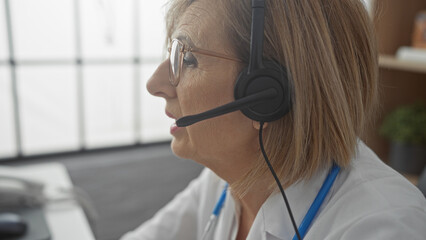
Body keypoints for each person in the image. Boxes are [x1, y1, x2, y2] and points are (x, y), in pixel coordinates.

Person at [121, 0, 426, 239]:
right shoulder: (230, 176)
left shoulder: (384, 227)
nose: (154, 83)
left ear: (267, 94)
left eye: (187, 58)